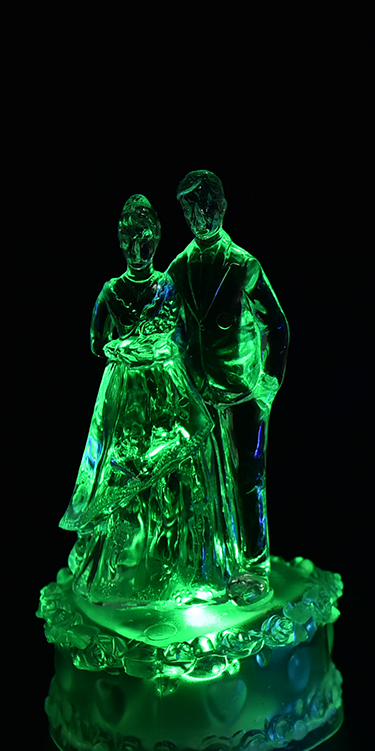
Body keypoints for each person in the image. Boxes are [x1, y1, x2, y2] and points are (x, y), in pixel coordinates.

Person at [62, 196, 221, 607]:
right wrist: (127, 350)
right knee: (124, 475)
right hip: (128, 397)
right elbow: (97, 342)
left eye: (144, 240)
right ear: (120, 242)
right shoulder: (111, 291)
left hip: (165, 392)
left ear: (156, 240)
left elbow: (181, 338)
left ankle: (175, 569)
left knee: (174, 474)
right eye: (129, 240)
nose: (137, 248)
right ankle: (121, 574)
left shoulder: (166, 286)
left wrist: (151, 350)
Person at [166, 171, 288, 603]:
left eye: (206, 205)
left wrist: (267, 385)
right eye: (190, 208)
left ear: (221, 206)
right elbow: (173, 333)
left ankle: (253, 568)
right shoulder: (176, 270)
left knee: (246, 480)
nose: (200, 216)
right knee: (203, 482)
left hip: (241, 394)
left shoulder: (243, 265)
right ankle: (212, 570)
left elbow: (276, 324)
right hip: (198, 398)